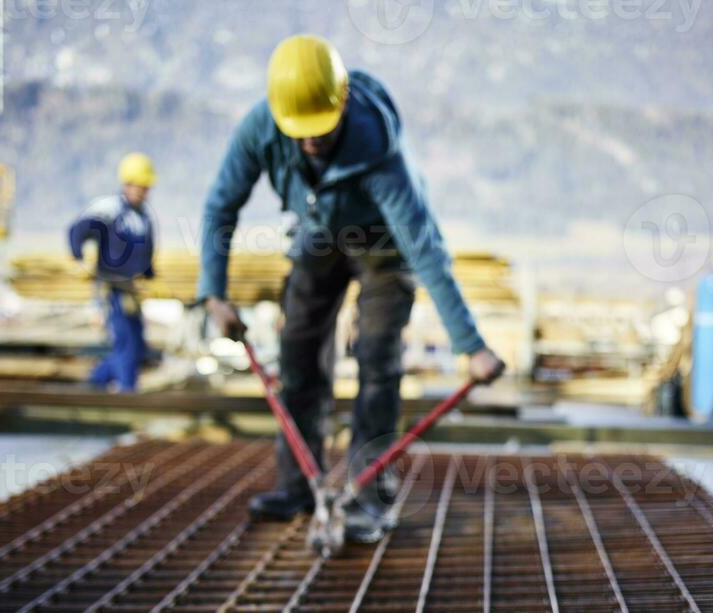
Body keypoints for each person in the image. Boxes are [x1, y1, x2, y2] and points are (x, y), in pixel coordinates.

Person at [199, 35, 505, 543]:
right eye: (301, 133)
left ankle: (369, 495)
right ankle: (299, 486)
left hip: (385, 249)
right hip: (318, 241)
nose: (311, 142)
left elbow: (426, 250)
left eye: (320, 130)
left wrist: (470, 345)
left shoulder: (380, 153)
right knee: (298, 359)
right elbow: (219, 208)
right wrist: (214, 293)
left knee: (378, 362)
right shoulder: (263, 126)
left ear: (340, 104)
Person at [69, 153, 156, 392]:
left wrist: (149, 275)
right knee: (125, 343)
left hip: (131, 292)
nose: (144, 192)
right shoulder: (110, 210)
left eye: (147, 188)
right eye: (141, 187)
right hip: (112, 290)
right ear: (127, 183)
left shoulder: (143, 217)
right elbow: (77, 230)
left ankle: (94, 384)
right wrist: (78, 257)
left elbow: (146, 251)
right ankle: (128, 394)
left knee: (136, 345)